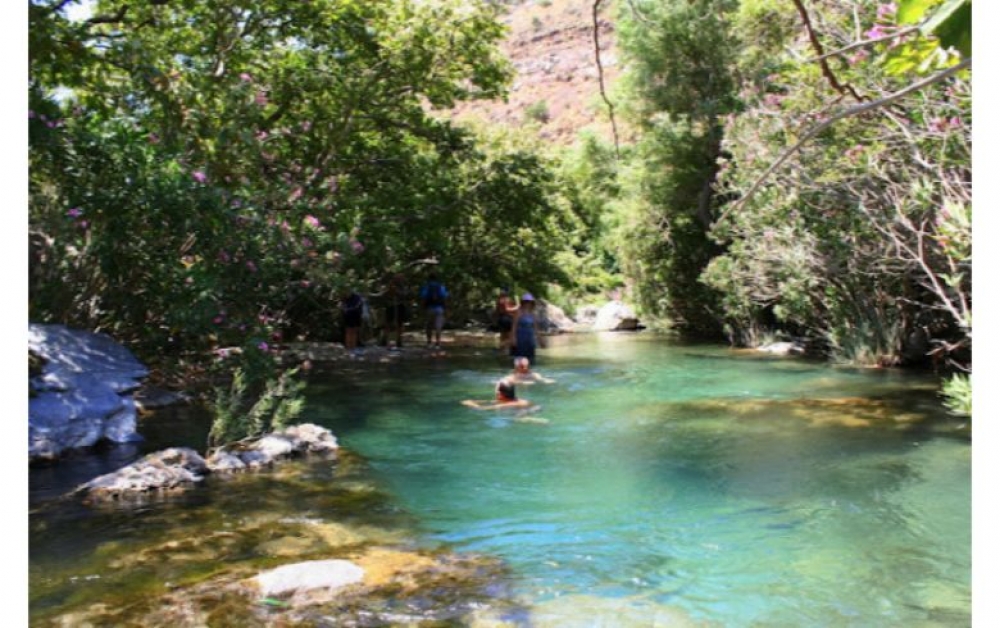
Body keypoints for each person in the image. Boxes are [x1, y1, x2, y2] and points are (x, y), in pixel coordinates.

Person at [510, 292, 545, 364]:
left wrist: (540, 340)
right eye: (526, 302)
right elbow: (514, 326)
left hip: (529, 338)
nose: (527, 303)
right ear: (522, 302)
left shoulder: (533, 314)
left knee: (530, 358)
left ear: (532, 303)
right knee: (519, 358)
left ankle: (529, 372)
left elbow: (536, 329)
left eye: (529, 302)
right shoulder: (518, 312)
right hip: (520, 338)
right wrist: (513, 338)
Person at [461, 377, 533, 411]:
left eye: (497, 391)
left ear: (500, 394)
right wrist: (475, 401)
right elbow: (491, 401)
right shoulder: (515, 400)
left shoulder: (506, 404)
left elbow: (481, 409)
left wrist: (471, 404)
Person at [419, 273, 448, 349]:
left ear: (429, 279)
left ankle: (429, 342)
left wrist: (422, 308)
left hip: (429, 308)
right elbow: (445, 298)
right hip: (439, 308)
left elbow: (423, 298)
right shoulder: (441, 287)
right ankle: (437, 343)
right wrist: (445, 308)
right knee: (438, 326)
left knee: (429, 326)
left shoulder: (427, 287)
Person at [383, 273, 408, 350]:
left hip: (400, 306)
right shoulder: (390, 285)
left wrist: (397, 291)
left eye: (400, 278)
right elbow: (384, 294)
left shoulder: (403, 286)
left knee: (400, 324)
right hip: (390, 306)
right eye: (397, 278)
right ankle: (388, 341)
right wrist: (391, 290)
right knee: (389, 324)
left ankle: (399, 340)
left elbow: (404, 294)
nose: (399, 280)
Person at [494, 288, 519, 352]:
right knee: (509, 336)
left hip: (503, 319)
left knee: (504, 336)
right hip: (506, 319)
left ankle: (502, 349)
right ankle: (504, 348)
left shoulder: (502, 299)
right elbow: (507, 309)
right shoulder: (503, 299)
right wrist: (517, 306)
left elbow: (497, 311)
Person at [341, 289, 364, 353]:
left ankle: (353, 348)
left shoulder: (358, 296)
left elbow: (359, 305)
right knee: (349, 331)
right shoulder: (345, 297)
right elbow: (343, 305)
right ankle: (349, 348)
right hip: (348, 315)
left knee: (354, 331)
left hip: (355, 315)